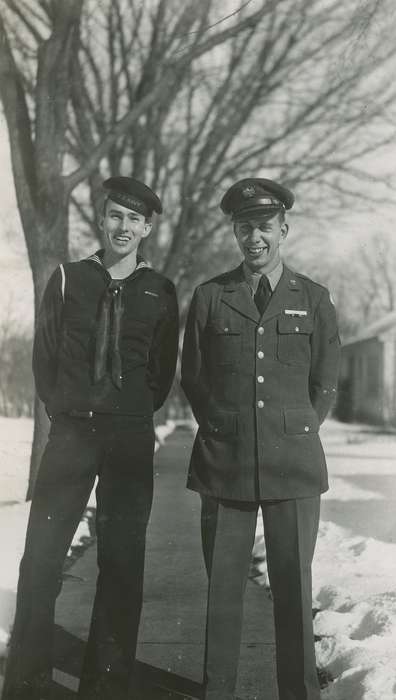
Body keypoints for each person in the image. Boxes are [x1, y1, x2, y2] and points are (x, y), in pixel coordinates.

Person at [2, 176, 179, 700]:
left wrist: (130, 412)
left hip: (128, 438)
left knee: (123, 560)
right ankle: (28, 680)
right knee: (41, 555)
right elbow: (45, 357)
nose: (124, 227)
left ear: (147, 228)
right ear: (102, 220)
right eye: (115, 216)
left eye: (135, 220)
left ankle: (106, 682)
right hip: (73, 433)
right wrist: (68, 411)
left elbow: (162, 372)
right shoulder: (66, 279)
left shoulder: (161, 291)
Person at [181, 177, 340, 700]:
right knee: (223, 593)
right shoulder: (210, 297)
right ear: (233, 232)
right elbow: (195, 378)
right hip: (225, 460)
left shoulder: (313, 299)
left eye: (265, 227)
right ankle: (217, 692)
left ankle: (297, 693)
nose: (255, 238)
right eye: (245, 227)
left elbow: (325, 383)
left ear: (284, 230)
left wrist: (295, 429)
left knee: (294, 588)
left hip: (293, 463)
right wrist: (226, 425)